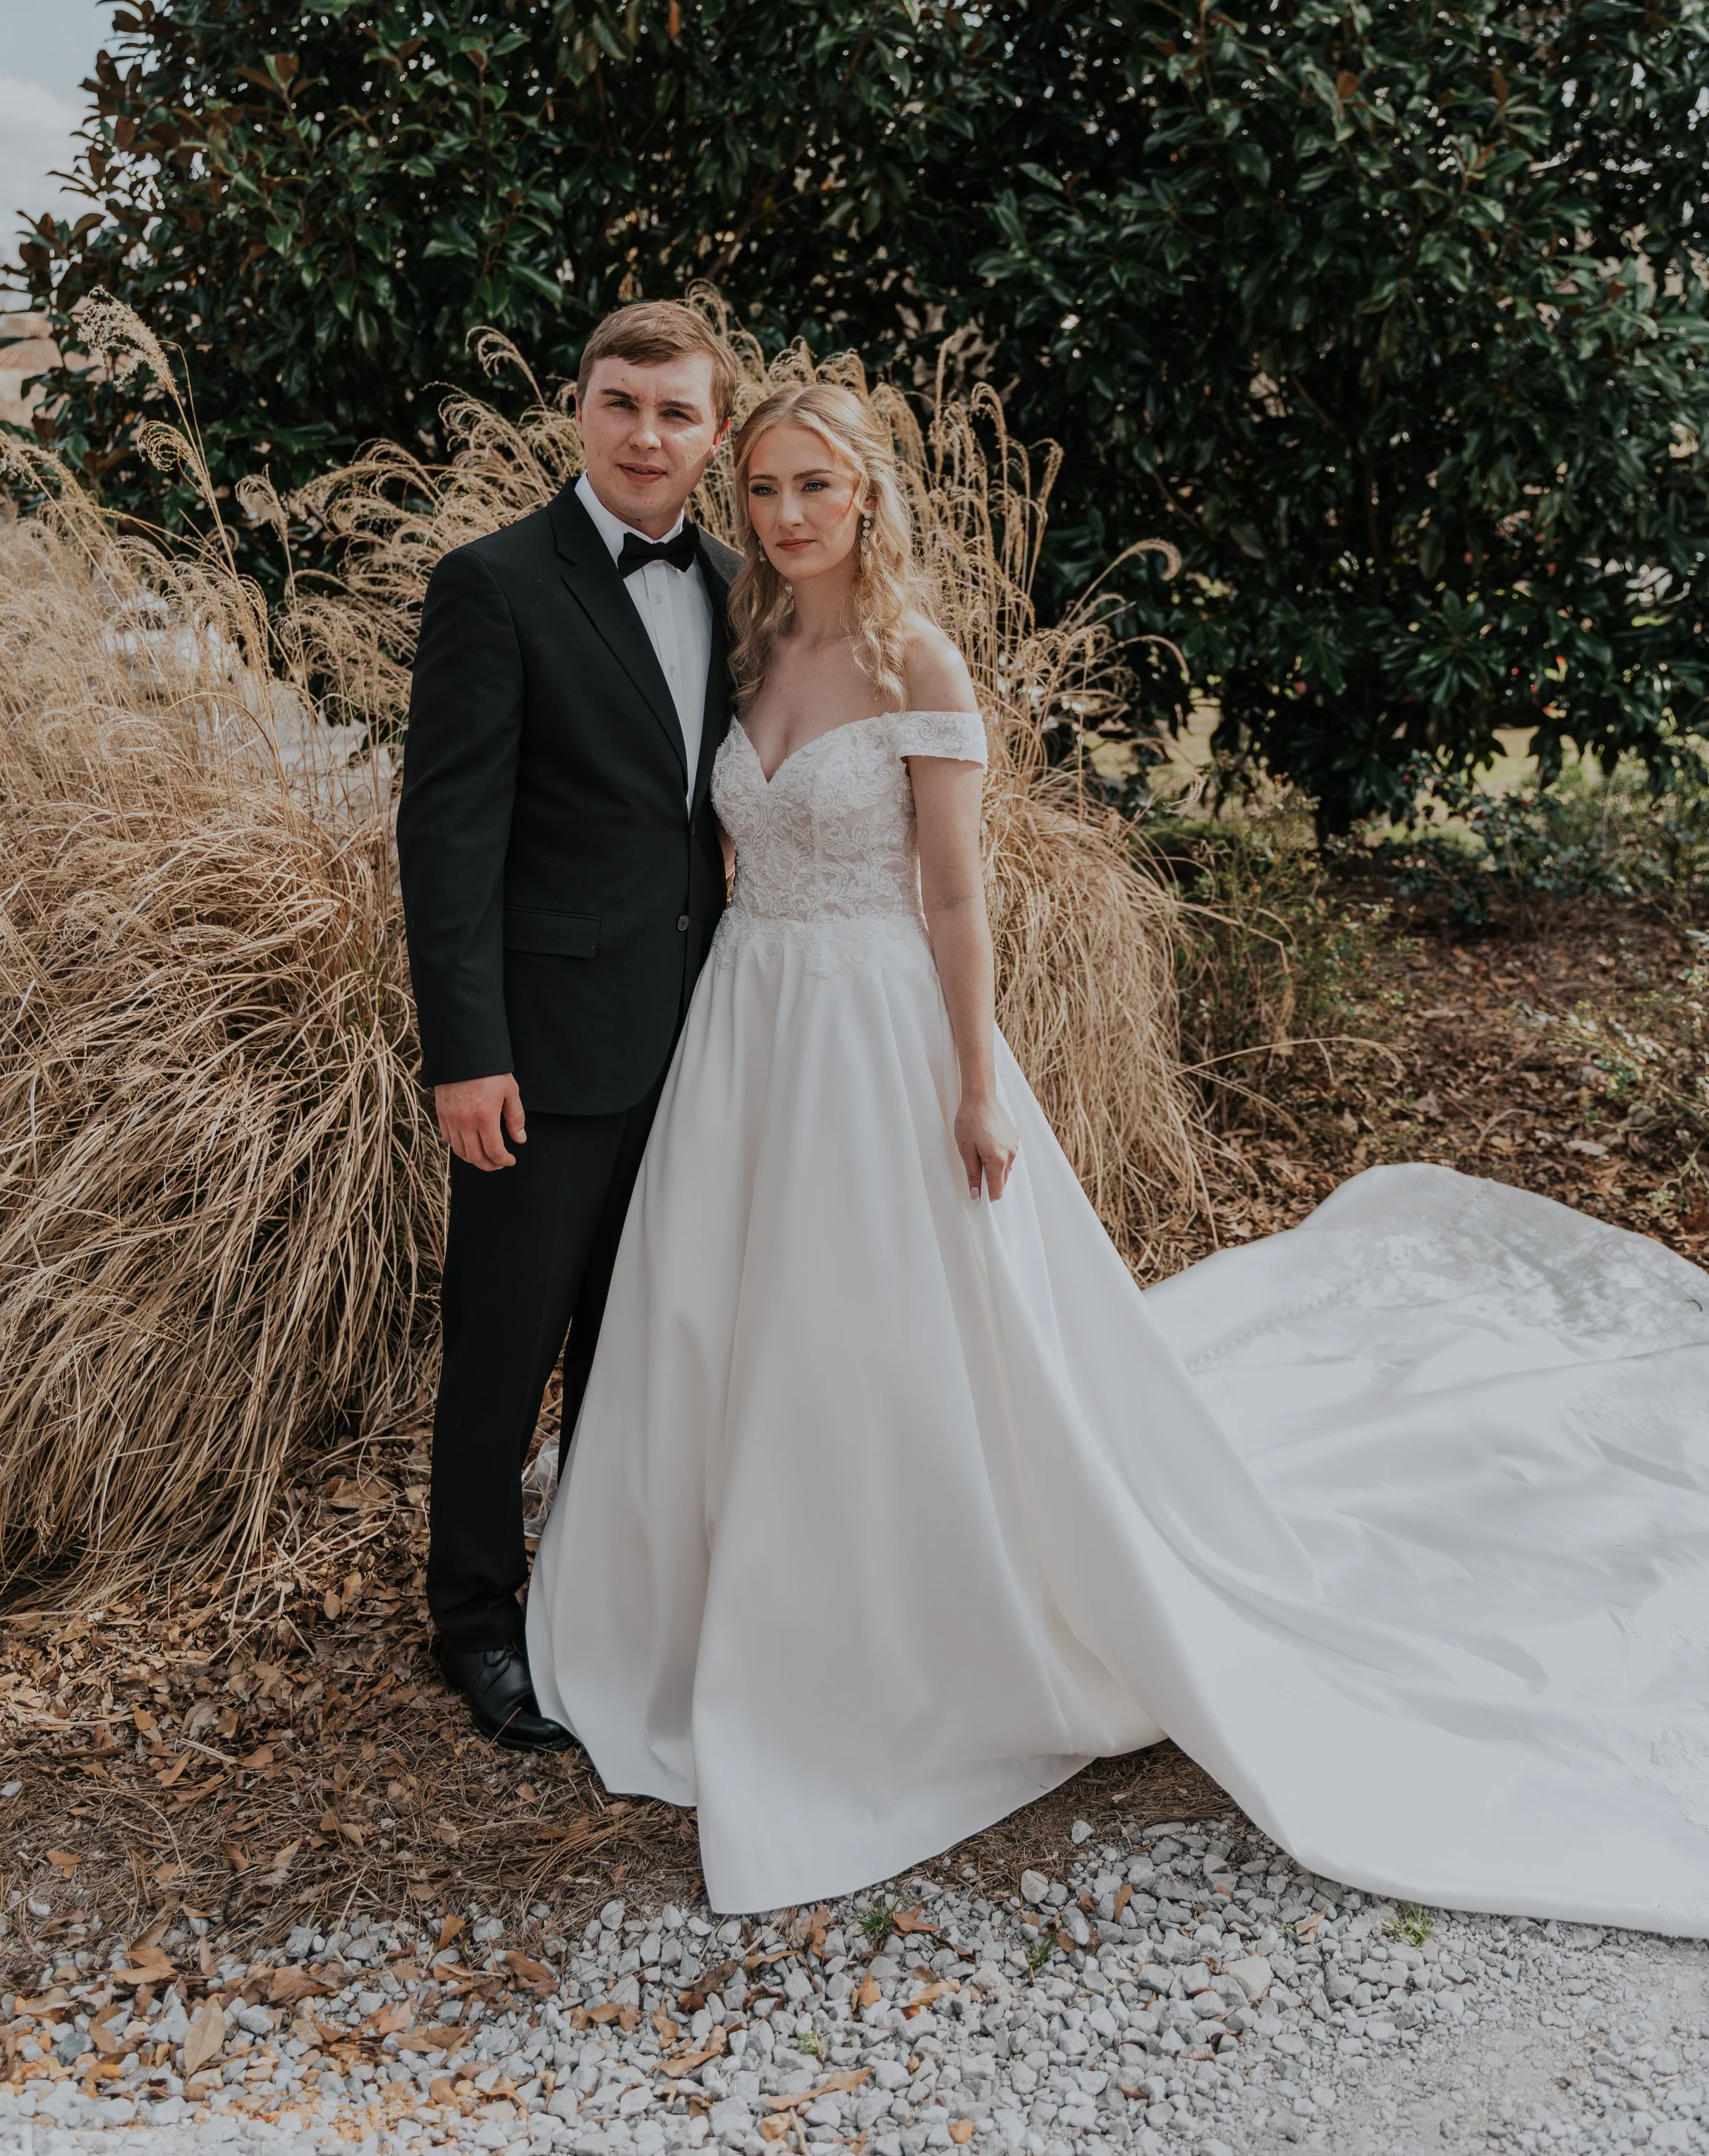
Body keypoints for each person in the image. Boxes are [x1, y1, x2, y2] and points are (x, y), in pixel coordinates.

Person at [525, 370, 1709, 1934]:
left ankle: (887, 1630)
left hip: (876, 1030)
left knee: (870, 1329)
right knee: (718, 1316)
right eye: (761, 491)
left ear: (865, 494)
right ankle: (690, 1603)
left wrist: (973, 1083)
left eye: (813, 487)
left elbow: (956, 898)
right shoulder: (746, 638)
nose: (785, 515)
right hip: (747, 1026)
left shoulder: (913, 659)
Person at [397, 300, 741, 1750]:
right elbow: (447, 837)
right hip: (538, 1052)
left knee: (640, 1342)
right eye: (621, 404)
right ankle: (473, 1617)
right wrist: (466, 1050)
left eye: (675, 412)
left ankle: (591, 1604)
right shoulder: (491, 585)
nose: (646, 435)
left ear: (712, 432)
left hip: (713, 1042)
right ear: (577, 412)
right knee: (506, 1341)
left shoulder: (744, 585)